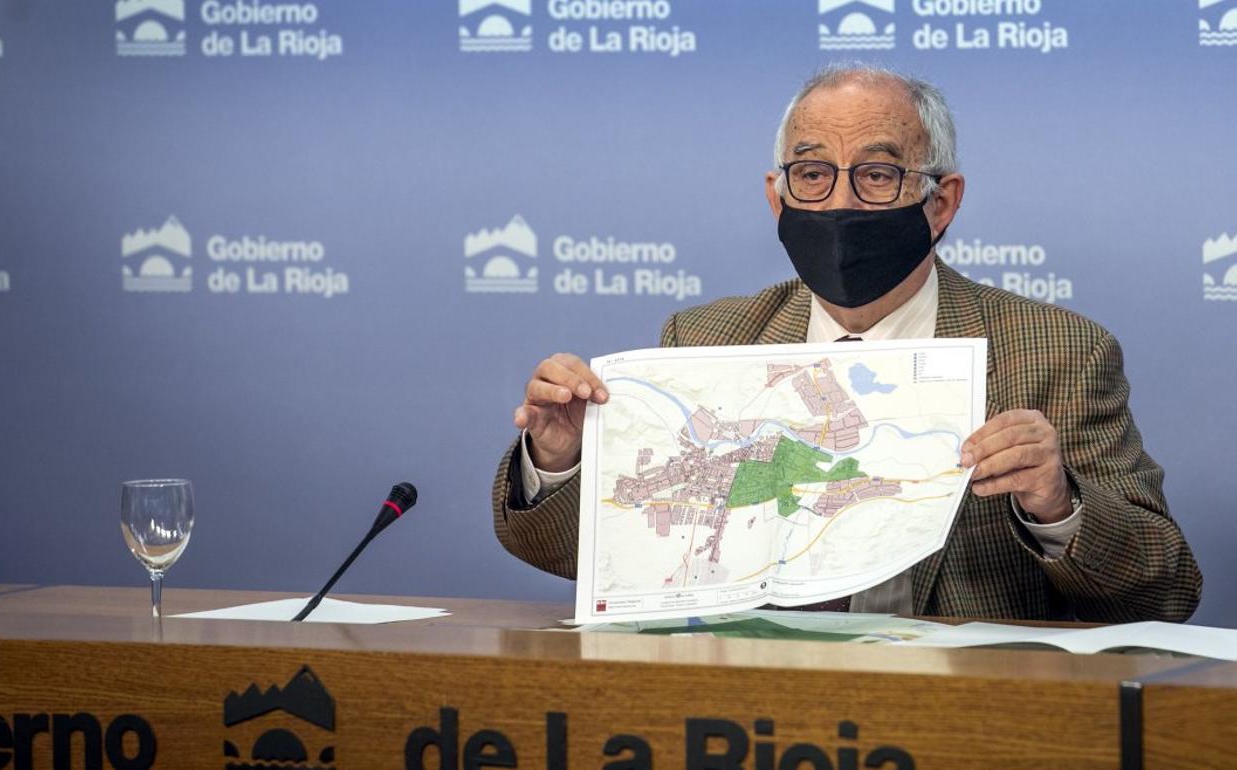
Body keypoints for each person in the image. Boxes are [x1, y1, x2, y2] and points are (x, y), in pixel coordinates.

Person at [491, 64, 1201, 622]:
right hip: (751, 710)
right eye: (812, 174)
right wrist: (558, 461)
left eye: (877, 175)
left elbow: (1164, 590)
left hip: (959, 710)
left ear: (941, 202)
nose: (839, 202)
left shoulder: (1058, 353)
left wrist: (1057, 504)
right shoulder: (704, 341)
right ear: (777, 197)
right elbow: (584, 555)